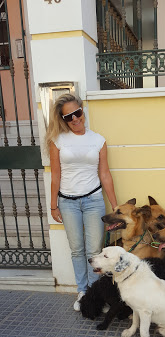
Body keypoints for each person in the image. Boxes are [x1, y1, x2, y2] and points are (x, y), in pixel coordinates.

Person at [46, 93, 117, 311]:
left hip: (94, 200)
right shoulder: (57, 141)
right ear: (63, 119)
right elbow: (55, 175)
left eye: (77, 113)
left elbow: (104, 174)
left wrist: (115, 208)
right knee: (77, 249)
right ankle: (83, 291)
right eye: (69, 117)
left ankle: (97, 294)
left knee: (94, 250)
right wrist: (53, 205)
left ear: (82, 110)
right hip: (67, 202)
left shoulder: (98, 140)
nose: (75, 119)